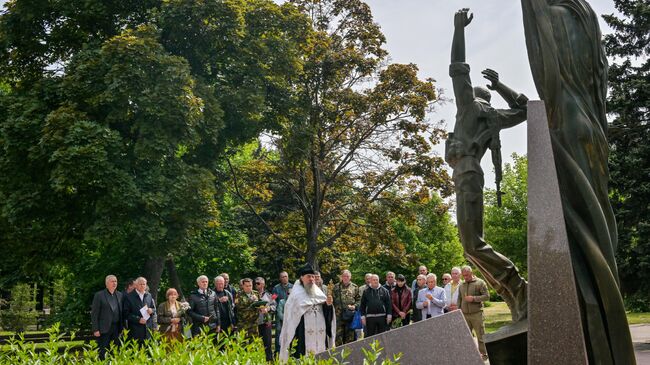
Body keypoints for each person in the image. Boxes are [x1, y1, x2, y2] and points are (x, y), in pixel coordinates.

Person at [521, 1, 635, 362]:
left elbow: (547, 77)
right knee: (599, 228)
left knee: (581, 239)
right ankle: (613, 349)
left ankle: (599, 343)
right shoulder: (584, 16)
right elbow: (598, 79)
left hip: (566, 125)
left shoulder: (547, 15)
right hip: (591, 126)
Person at [445, 8, 528, 322]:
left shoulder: (470, 107)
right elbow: (524, 109)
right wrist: (502, 86)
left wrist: (459, 29)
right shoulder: (495, 114)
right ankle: (515, 296)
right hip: (469, 174)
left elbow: (457, 68)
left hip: (467, 173)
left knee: (473, 244)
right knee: (470, 247)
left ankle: (519, 288)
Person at [279, 264, 335, 362]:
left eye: (313, 276)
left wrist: (328, 305)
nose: (311, 279)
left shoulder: (318, 293)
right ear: (302, 278)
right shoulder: (296, 295)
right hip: (302, 334)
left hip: (320, 333)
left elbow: (327, 314)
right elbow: (291, 318)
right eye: (308, 276)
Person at [457, 266, 489, 360]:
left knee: (480, 335)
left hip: (477, 314)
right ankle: (469, 354)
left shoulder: (480, 282)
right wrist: (459, 311)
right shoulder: (461, 285)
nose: (465, 277)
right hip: (464, 314)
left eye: (467, 275)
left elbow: (487, 296)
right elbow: (459, 298)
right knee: (466, 336)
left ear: (471, 273)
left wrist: (474, 299)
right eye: (463, 275)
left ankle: (484, 355)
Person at [91, 275, 123, 359]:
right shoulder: (99, 295)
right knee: (103, 352)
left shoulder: (120, 295)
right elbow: (94, 313)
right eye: (112, 281)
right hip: (103, 329)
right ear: (106, 283)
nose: (114, 283)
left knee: (115, 352)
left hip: (116, 328)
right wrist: (95, 329)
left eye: (116, 281)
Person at [123, 277, 157, 345]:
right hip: (135, 330)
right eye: (140, 284)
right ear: (135, 285)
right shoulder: (129, 297)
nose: (142, 286)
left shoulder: (149, 295)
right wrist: (138, 319)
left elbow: (154, 309)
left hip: (148, 330)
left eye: (144, 284)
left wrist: (151, 310)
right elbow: (125, 314)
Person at [333, 269, 360, 345]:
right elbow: (332, 300)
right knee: (338, 337)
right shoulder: (336, 287)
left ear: (350, 277)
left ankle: (350, 355)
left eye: (347, 276)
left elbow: (359, 300)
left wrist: (354, 306)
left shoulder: (355, 287)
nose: (345, 278)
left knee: (350, 336)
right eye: (344, 276)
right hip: (338, 315)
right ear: (341, 277)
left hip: (350, 315)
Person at [272, 271, 293, 354]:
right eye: (283, 277)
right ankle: (278, 351)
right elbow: (273, 300)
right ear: (280, 278)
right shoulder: (276, 288)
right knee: (279, 332)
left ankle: (290, 350)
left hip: (291, 314)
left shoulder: (293, 286)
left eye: (286, 276)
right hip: (279, 313)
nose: (285, 278)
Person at [255, 277, 275, 361]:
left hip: (266, 322)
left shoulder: (269, 295)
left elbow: (274, 306)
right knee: (256, 344)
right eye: (255, 283)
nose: (256, 285)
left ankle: (270, 361)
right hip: (255, 323)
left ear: (263, 284)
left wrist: (268, 309)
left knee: (268, 344)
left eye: (258, 283)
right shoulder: (253, 294)